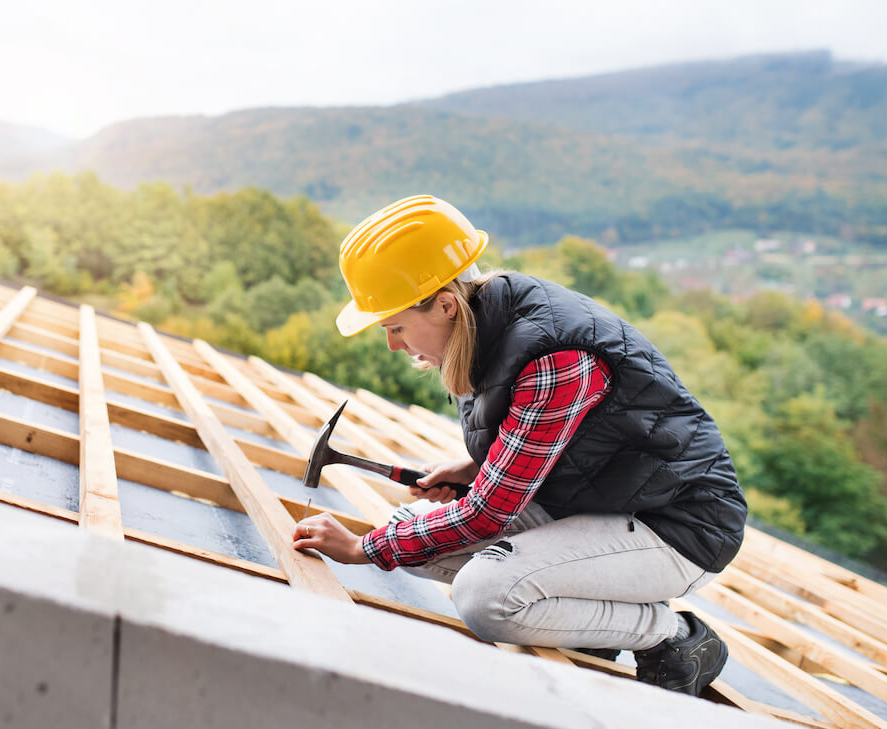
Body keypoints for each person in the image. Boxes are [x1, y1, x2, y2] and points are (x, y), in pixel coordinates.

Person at [291, 195, 746, 696]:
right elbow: (565, 439)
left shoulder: (555, 356)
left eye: (395, 327)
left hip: (677, 528)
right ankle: (585, 624)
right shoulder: (486, 322)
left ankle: (674, 637)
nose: (393, 345)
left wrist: (362, 548)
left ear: (444, 303)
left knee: (484, 595)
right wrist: (472, 467)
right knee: (413, 537)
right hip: (603, 505)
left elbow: (486, 514)